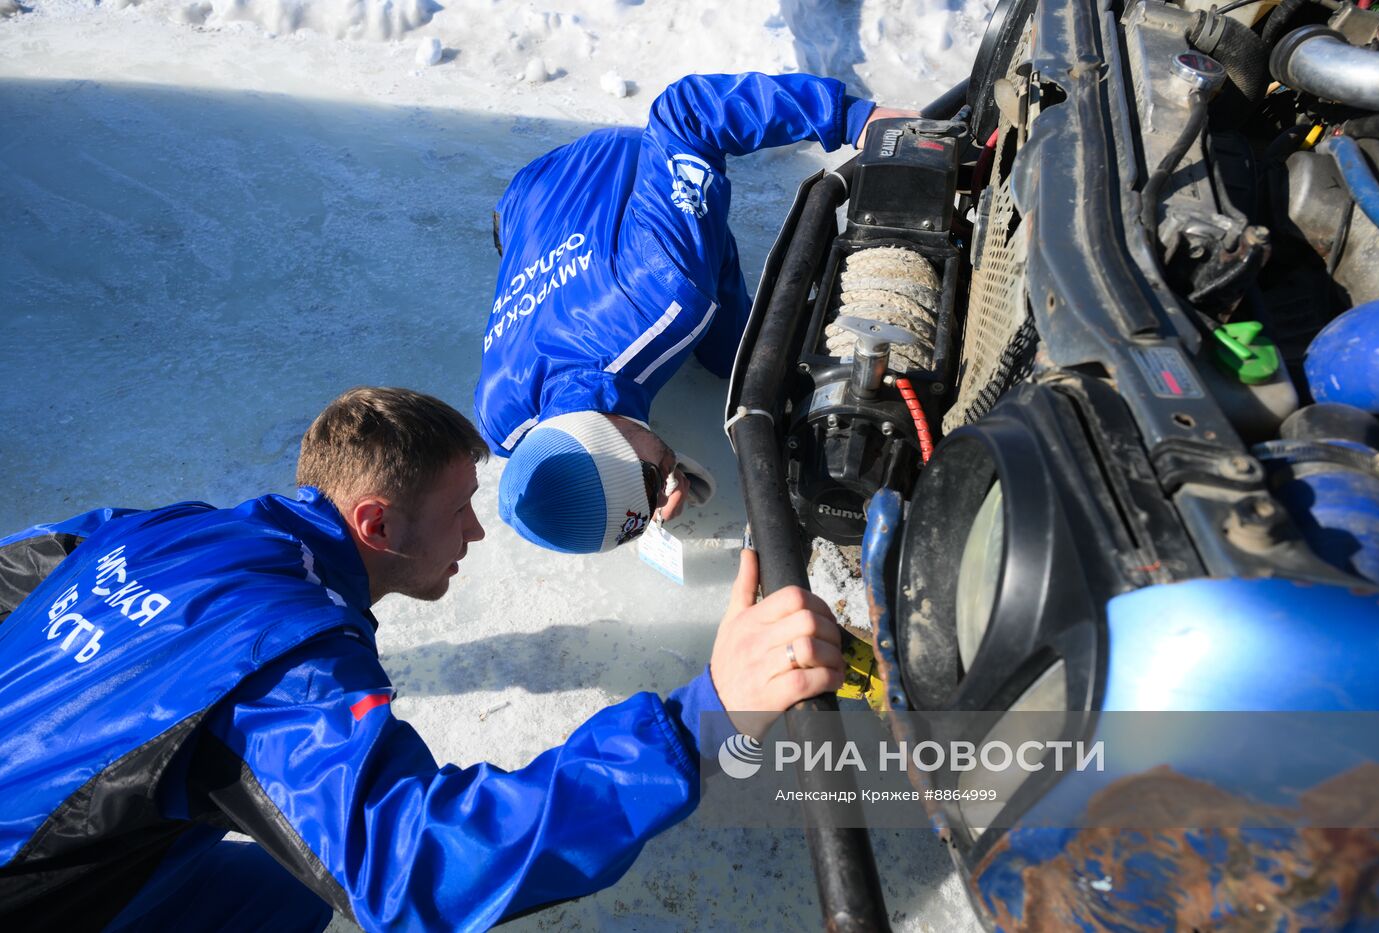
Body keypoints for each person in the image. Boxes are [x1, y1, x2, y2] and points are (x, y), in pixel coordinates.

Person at [0, 386, 846, 931]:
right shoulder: (284, 657)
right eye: (460, 511)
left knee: (282, 885)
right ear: (375, 525)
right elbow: (414, 860)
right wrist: (706, 712)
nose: (478, 534)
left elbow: (19, 563)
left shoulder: (167, 528)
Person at [476, 71, 907, 554]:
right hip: (522, 214)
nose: (663, 492)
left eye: (648, 484)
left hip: (607, 166)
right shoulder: (502, 427)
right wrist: (654, 464)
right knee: (734, 357)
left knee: (745, 342)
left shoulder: (664, 287)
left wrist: (856, 119)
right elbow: (578, 441)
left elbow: (691, 111)